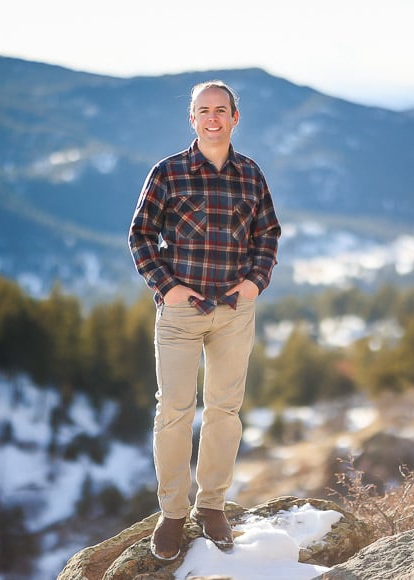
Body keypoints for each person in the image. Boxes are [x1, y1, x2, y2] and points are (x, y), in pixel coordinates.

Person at [128, 80, 281, 560]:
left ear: (236, 118)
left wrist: (255, 281)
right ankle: (173, 514)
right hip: (179, 313)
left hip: (235, 312)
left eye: (221, 110)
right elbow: (140, 236)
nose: (212, 118)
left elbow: (268, 234)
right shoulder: (168, 173)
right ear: (191, 119)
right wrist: (167, 287)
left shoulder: (250, 175)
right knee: (173, 411)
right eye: (203, 111)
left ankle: (211, 506)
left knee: (224, 411)